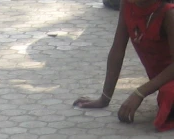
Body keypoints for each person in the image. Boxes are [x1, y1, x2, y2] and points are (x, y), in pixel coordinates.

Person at [74, 0, 174, 130]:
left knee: (168, 96)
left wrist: (140, 92)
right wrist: (104, 98)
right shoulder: (128, 5)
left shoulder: (169, 14)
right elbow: (117, 50)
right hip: (164, 79)